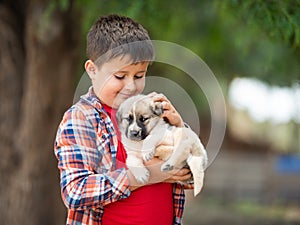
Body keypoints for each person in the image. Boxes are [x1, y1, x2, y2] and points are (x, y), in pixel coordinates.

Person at [54, 14, 193, 225]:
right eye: (120, 76)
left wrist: (179, 127)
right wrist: (149, 174)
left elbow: (191, 175)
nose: (131, 86)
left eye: (139, 76)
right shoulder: (82, 119)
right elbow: (76, 192)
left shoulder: (152, 113)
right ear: (92, 70)